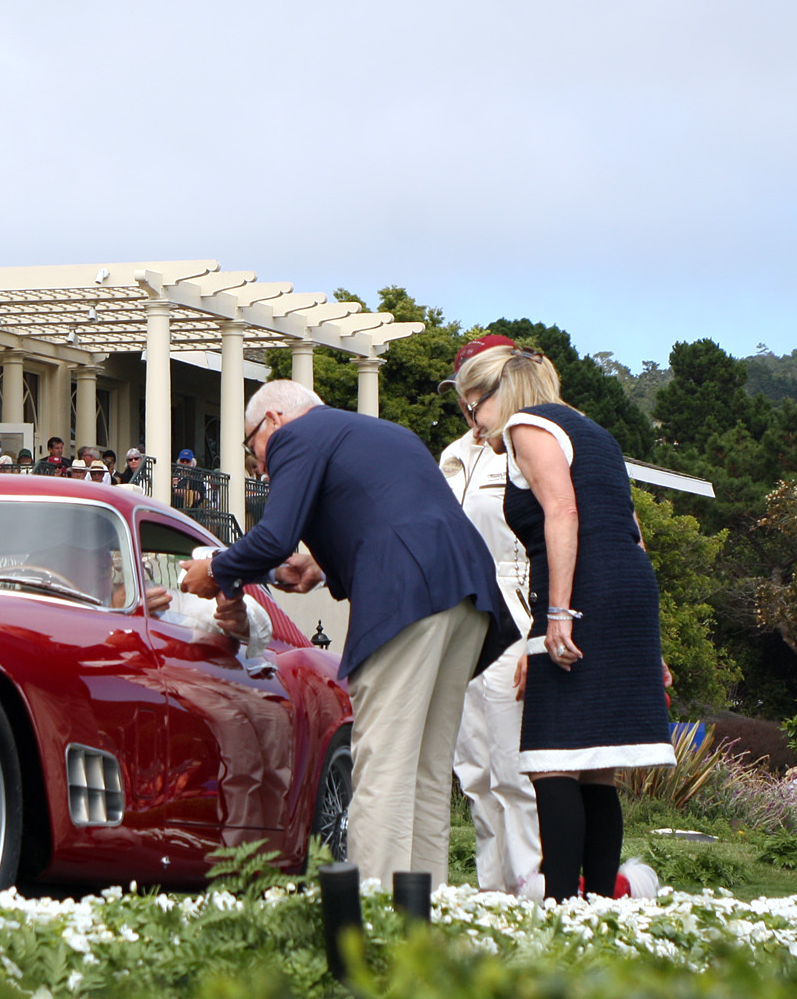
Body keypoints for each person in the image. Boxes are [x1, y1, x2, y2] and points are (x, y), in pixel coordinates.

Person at [179, 381, 517, 888]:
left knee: (381, 763)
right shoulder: (382, 433)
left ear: (272, 420)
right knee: (425, 770)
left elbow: (274, 536)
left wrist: (218, 570)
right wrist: (315, 570)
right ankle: (422, 920)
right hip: (466, 594)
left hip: (407, 599)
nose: (261, 470)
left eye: (254, 453)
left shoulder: (297, 436)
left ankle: (374, 923)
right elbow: (386, 516)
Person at [456, 344, 673, 901]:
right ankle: (600, 902)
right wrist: (649, 643)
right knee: (596, 762)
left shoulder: (530, 426)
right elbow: (632, 530)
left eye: (472, 407)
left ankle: (561, 904)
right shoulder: (591, 430)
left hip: (583, 593)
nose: (474, 425)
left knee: (551, 759)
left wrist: (558, 614)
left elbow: (563, 513)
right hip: (625, 592)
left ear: (498, 394)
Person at [437, 334, 541, 896]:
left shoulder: (531, 446)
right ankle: (492, 894)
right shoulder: (454, 456)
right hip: (463, 614)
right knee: (473, 771)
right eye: (461, 387)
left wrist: (537, 634)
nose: (466, 400)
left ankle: (535, 891)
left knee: (513, 767)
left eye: (474, 387)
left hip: (516, 610)